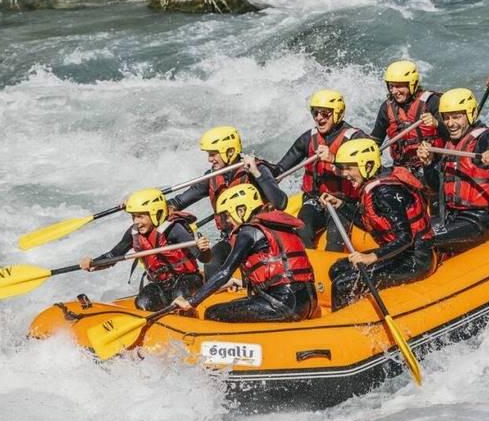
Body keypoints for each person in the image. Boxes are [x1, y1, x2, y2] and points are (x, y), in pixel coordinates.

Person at [172, 184, 318, 322]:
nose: (228, 220)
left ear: (241, 210)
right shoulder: (280, 226)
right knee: (237, 304)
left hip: (283, 303)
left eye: (227, 215)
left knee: (212, 313)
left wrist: (191, 301)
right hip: (308, 300)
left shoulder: (248, 232)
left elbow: (225, 271)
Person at [319, 139, 436, 311]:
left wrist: (371, 257)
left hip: (416, 259)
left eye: (349, 168)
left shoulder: (385, 192)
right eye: (343, 168)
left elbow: (405, 238)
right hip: (399, 254)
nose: (345, 174)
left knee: (343, 284)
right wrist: (341, 205)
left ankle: (348, 327)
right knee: (338, 269)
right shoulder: (374, 186)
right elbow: (372, 224)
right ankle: (359, 308)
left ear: (367, 166)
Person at [168, 126, 287, 278]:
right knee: (211, 264)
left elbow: (280, 202)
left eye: (213, 154)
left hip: (259, 236)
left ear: (230, 151)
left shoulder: (257, 168)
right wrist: (149, 206)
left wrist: (256, 173)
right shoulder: (211, 177)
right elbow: (179, 201)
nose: (209, 159)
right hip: (230, 237)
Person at [416, 88, 489, 255]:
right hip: (453, 217)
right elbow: (438, 187)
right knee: (414, 232)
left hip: (481, 220)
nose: (450, 123)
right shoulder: (451, 145)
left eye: (456, 117)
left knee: (422, 239)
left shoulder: (488, 138)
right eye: (446, 118)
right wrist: (428, 164)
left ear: (471, 114)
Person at [80, 188, 211, 311]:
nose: (136, 221)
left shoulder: (174, 230)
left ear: (156, 214)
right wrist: (93, 263)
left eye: (140, 216)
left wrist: (204, 250)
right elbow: (113, 255)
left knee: (180, 294)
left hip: (188, 279)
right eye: (134, 217)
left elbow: (204, 258)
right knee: (142, 302)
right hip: (161, 283)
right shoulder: (134, 233)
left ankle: (189, 317)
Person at [273, 89, 366, 251]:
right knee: (302, 227)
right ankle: (304, 269)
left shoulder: (355, 138)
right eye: (315, 113)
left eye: (325, 114)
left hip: (344, 203)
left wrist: (333, 159)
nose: (319, 118)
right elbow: (281, 168)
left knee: (335, 239)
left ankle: (333, 270)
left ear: (337, 114)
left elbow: (368, 169)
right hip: (314, 200)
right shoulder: (309, 137)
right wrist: (257, 169)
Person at [370, 60, 443, 174]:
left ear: (412, 84)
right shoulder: (386, 107)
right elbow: (376, 140)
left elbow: (453, 137)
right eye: (391, 86)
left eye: (399, 86)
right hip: (402, 169)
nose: (394, 91)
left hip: (433, 166)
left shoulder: (432, 102)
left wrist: (437, 123)